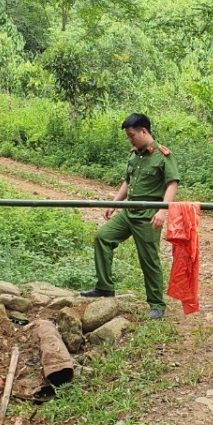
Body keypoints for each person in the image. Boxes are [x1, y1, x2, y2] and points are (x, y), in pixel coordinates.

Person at [80, 113, 180, 320]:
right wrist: (115, 203)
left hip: (148, 215)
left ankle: (157, 304)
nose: (130, 139)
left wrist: (163, 210)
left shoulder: (163, 156)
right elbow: (127, 181)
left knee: (148, 259)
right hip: (129, 212)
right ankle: (105, 287)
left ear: (144, 131)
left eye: (132, 135)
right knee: (103, 238)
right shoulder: (135, 155)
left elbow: (172, 184)